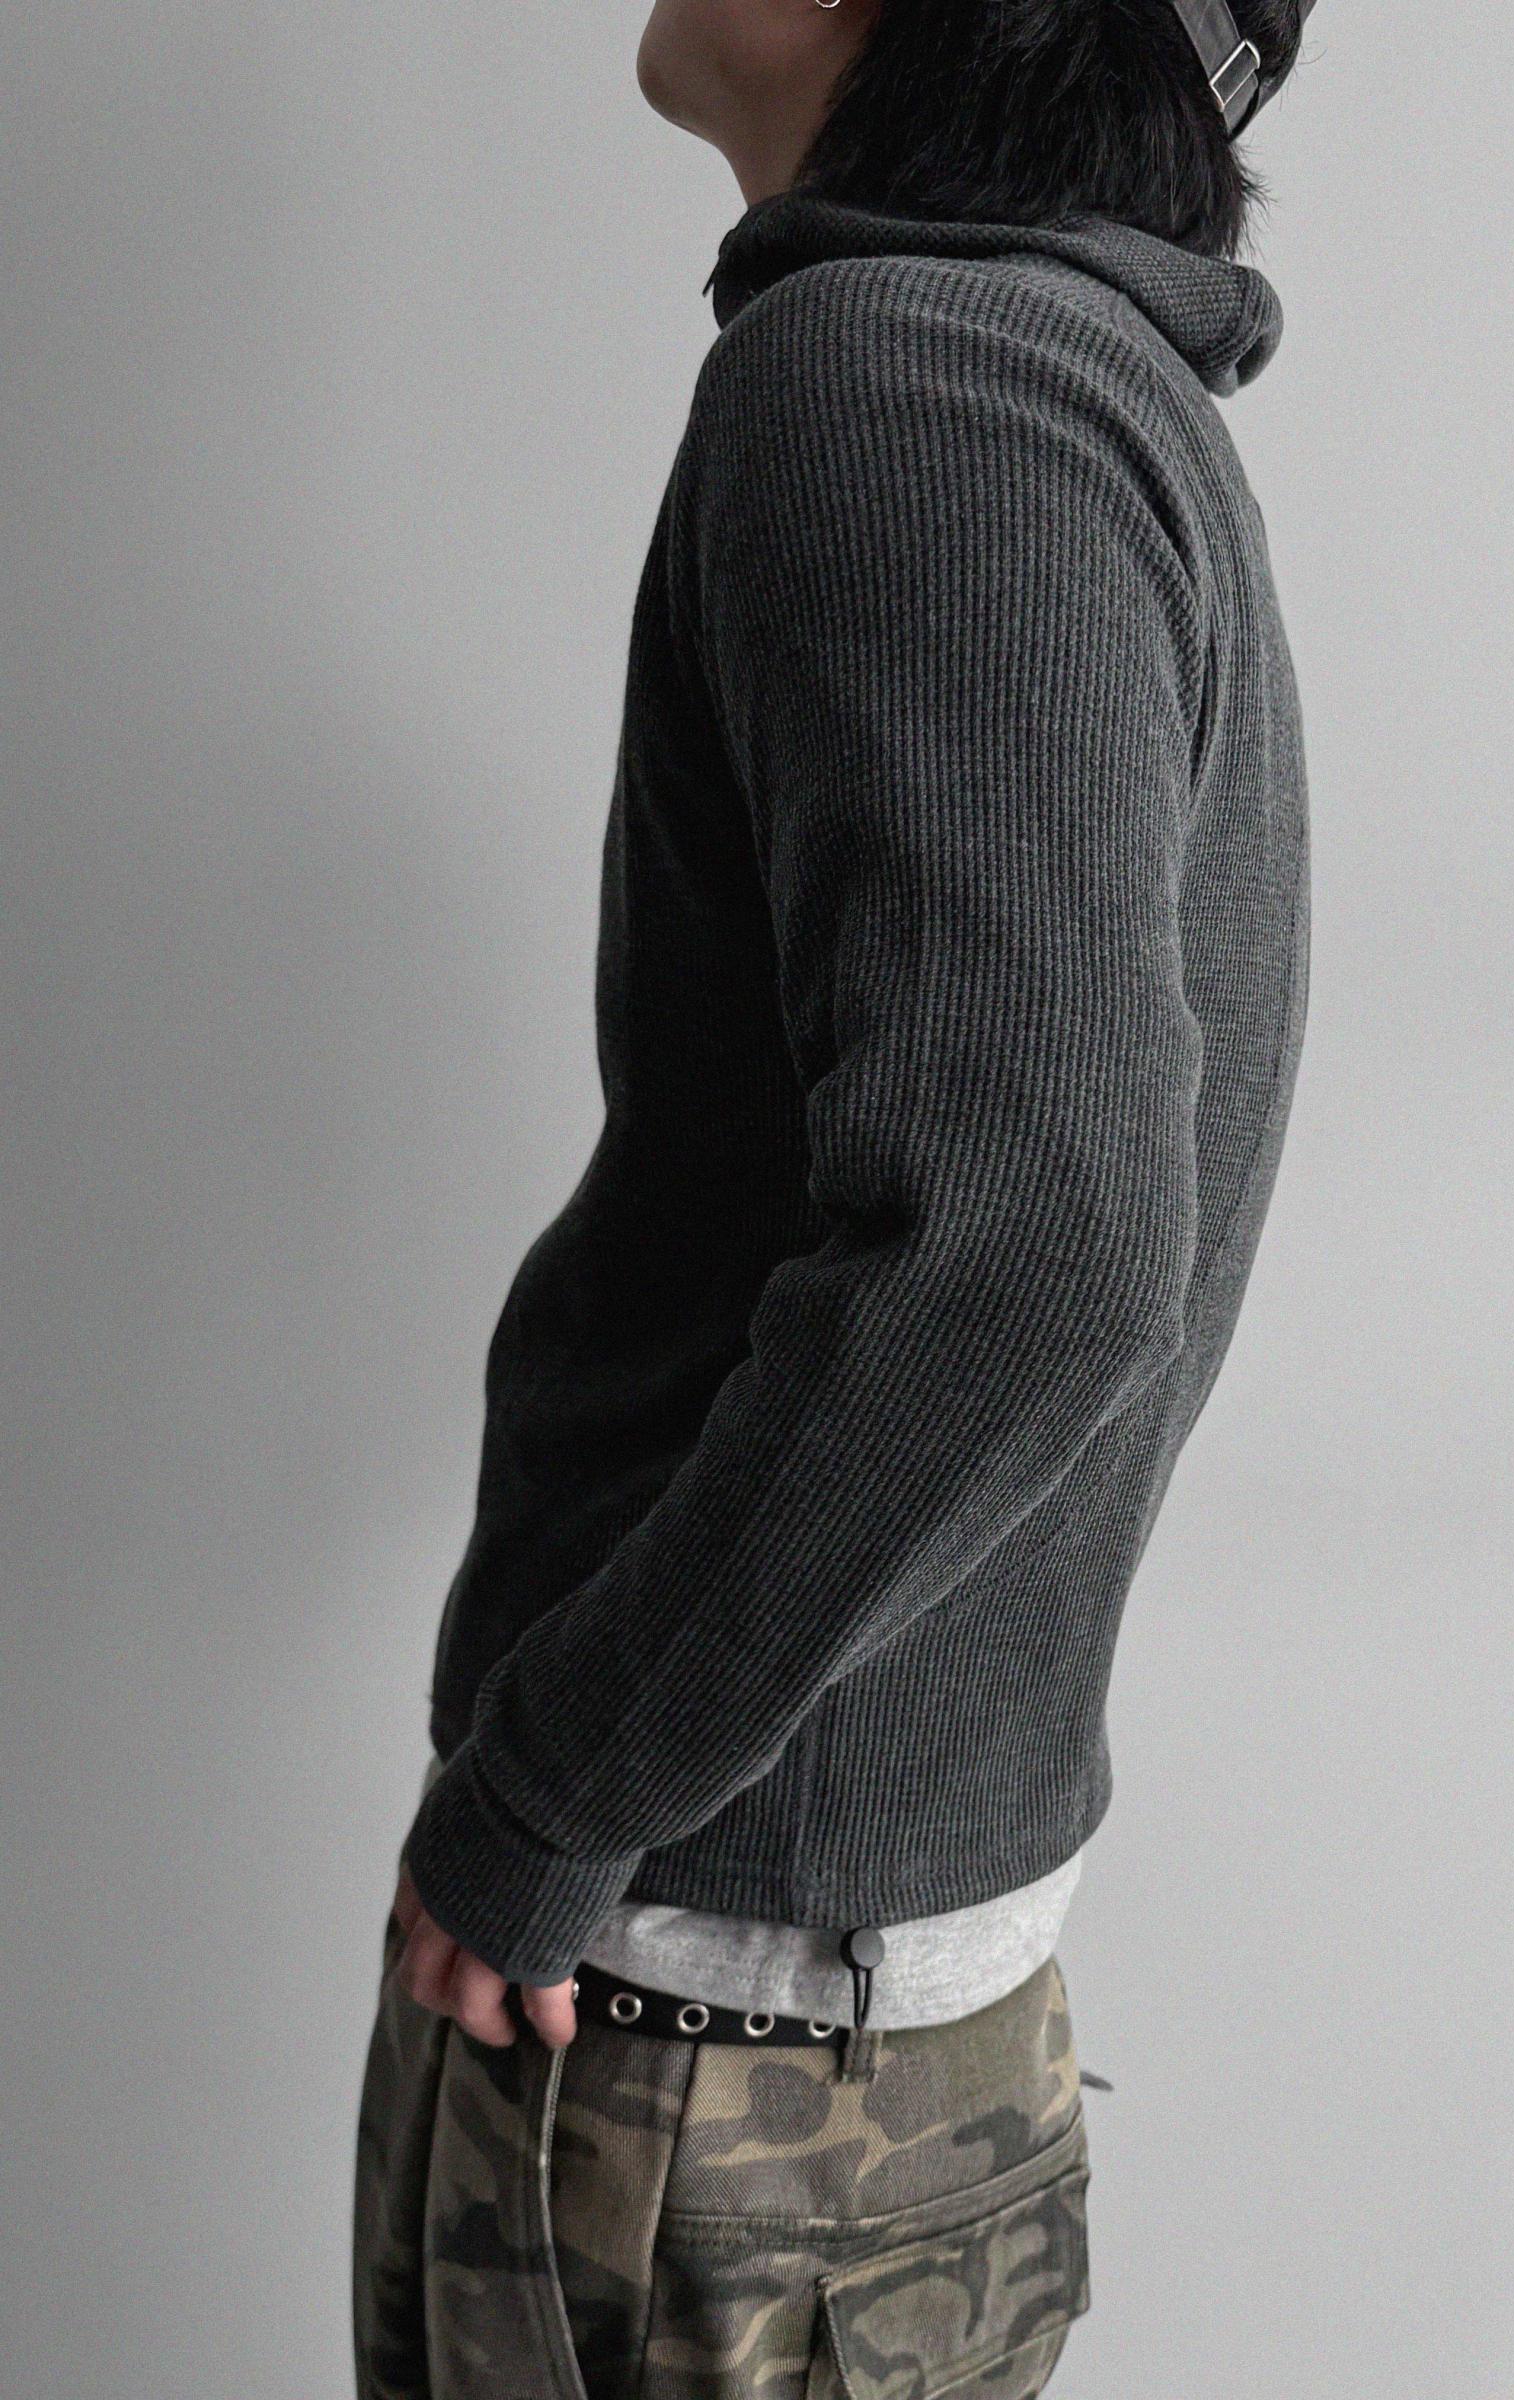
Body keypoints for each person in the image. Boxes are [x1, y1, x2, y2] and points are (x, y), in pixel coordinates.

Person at [351, 0, 1315, 2389]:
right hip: (813, 2043)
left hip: (698, 2046)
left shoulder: (914, 383)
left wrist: (552, 1794)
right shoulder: (1045, 384)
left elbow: (1042, 1246)